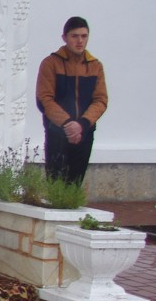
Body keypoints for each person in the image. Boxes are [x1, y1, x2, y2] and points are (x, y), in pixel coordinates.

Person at [36, 16, 107, 185]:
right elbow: (44, 98)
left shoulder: (95, 66)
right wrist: (68, 124)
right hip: (57, 132)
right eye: (74, 36)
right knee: (56, 183)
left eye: (84, 36)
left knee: (75, 184)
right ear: (64, 37)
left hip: (84, 133)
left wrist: (81, 124)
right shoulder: (51, 63)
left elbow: (101, 100)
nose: (80, 41)